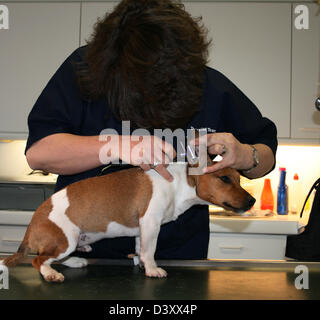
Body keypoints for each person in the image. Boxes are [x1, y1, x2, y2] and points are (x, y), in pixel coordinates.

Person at [25, 0, 278, 260]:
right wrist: (118, 146)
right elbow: (39, 153)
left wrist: (248, 156)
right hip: (82, 251)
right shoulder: (83, 70)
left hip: (176, 258)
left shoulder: (210, 86)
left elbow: (265, 153)